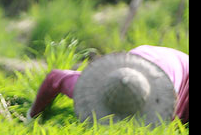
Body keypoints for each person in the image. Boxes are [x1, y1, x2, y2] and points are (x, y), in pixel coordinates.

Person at [26, 45, 188, 126]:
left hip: (181, 70)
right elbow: (54, 78)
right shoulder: (91, 88)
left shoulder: (165, 101)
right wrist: (32, 119)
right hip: (136, 63)